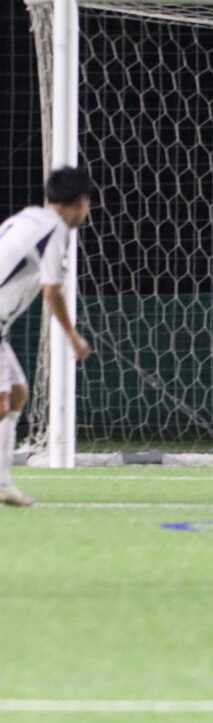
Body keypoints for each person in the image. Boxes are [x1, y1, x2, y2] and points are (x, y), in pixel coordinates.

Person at [0, 166, 95, 506]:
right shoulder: (55, 229)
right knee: (3, 399)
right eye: (88, 205)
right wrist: (73, 337)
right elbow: (52, 290)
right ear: (80, 203)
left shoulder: (27, 218)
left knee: (17, 395)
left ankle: (1, 483)